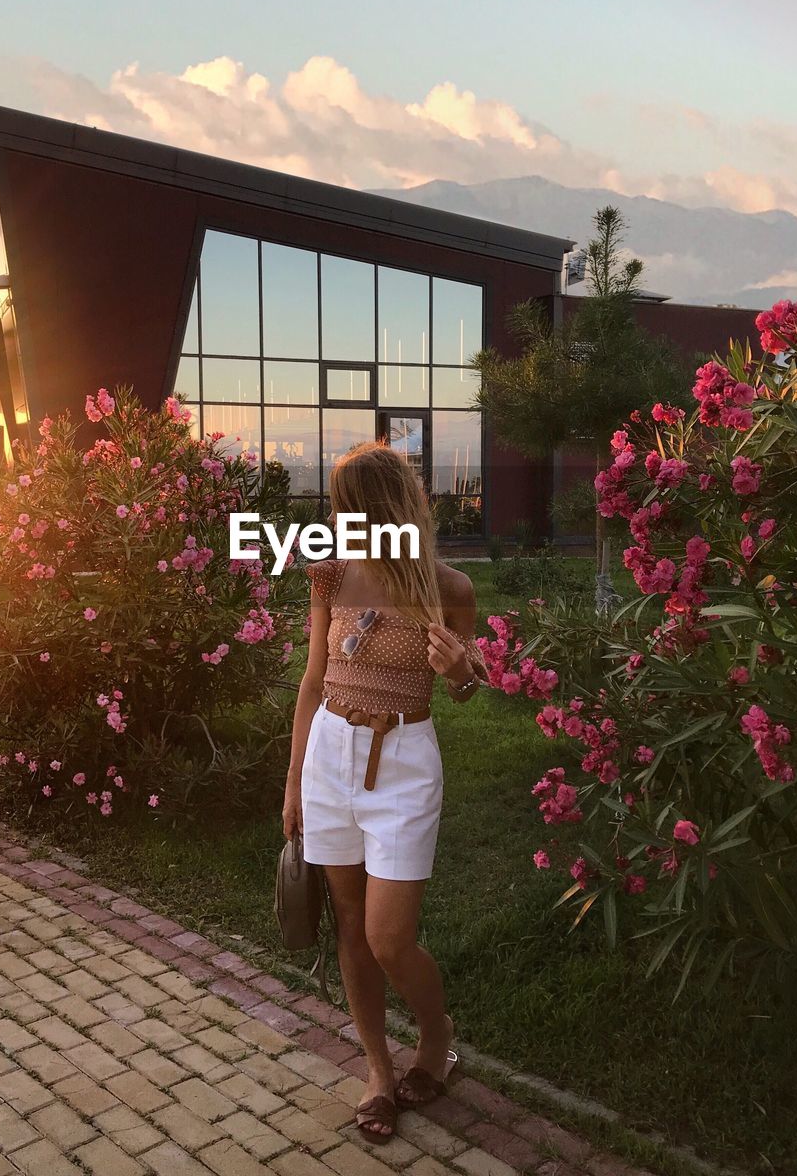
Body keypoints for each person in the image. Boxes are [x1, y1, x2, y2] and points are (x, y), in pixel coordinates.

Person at [283, 442, 486, 1144]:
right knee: (349, 926)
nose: (335, 519)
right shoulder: (330, 579)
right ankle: (377, 1070)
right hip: (330, 757)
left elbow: (466, 687)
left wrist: (462, 669)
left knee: (389, 936)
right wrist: (294, 785)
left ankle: (437, 1036)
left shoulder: (447, 589)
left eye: (346, 507)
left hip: (402, 762)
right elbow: (312, 683)